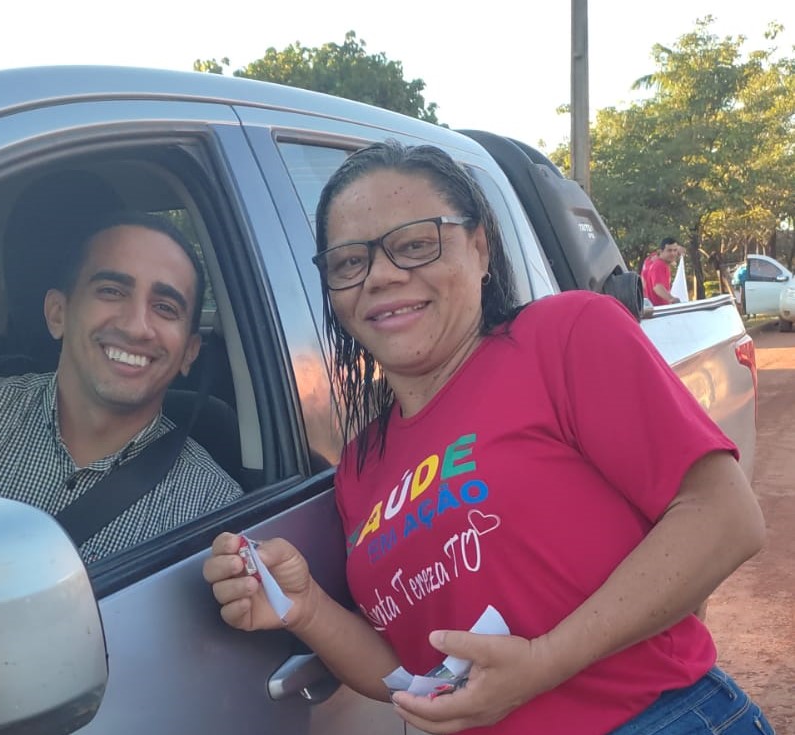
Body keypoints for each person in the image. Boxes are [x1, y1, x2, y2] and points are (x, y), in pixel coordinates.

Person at [203, 141, 774, 734]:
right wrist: (303, 607)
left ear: (480, 248)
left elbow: (725, 518)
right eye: (350, 262)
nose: (381, 275)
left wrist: (544, 662)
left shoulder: (563, 335)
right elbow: (410, 671)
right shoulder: (360, 469)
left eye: (416, 244)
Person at [0, 211, 242, 563]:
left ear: (189, 353)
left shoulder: (211, 512)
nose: (136, 327)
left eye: (165, 308)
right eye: (111, 291)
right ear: (58, 313)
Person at [643, 237, 682, 305]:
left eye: (675, 250)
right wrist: (672, 299)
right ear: (661, 251)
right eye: (669, 250)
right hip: (660, 308)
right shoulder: (660, 265)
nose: (673, 253)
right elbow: (657, 287)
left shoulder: (656, 264)